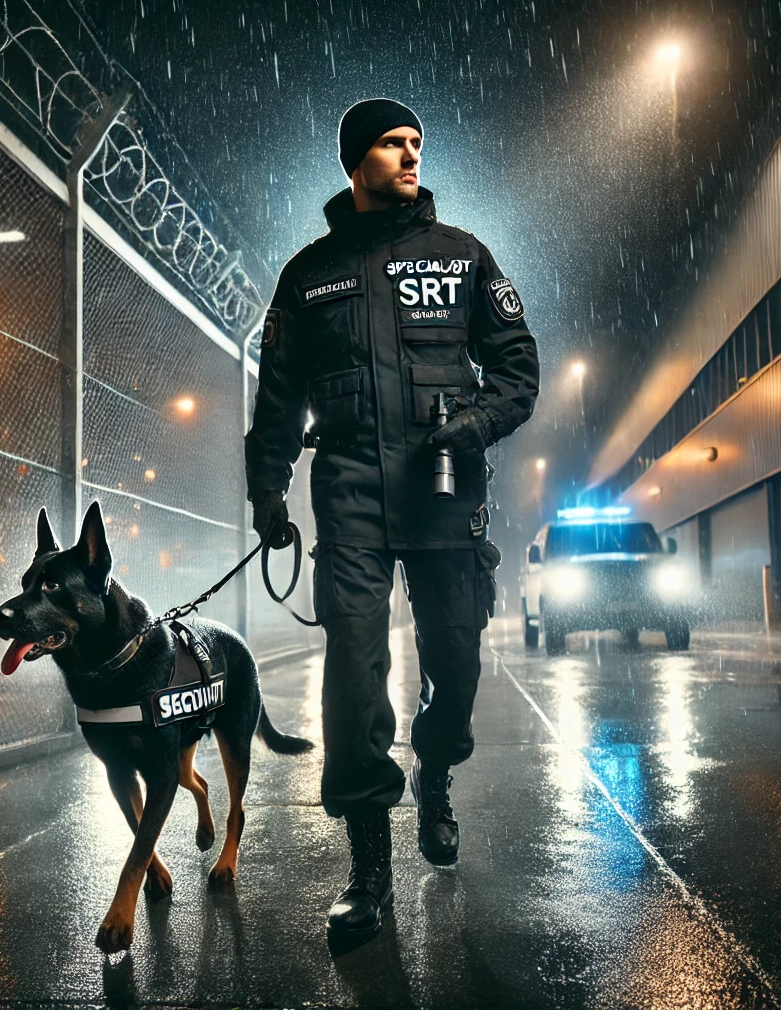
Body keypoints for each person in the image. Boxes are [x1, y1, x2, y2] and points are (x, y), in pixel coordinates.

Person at [244, 97, 540, 946]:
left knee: (456, 658)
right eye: (390, 143)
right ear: (354, 161)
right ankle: (368, 868)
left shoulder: (463, 257)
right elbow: (276, 403)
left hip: (444, 495)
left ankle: (436, 768)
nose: (410, 155)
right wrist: (269, 491)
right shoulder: (307, 276)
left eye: (416, 143)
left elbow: (519, 371)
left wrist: (471, 424)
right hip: (350, 500)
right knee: (354, 676)